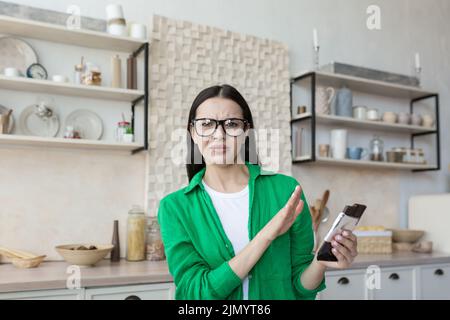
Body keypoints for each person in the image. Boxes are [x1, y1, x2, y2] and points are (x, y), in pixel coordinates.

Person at [158, 84, 358, 300]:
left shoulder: (287, 191)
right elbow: (195, 293)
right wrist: (267, 234)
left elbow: (301, 287)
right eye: (206, 124)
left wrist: (320, 263)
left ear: (246, 132)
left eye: (232, 124)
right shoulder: (175, 208)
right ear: (193, 134)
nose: (219, 134)